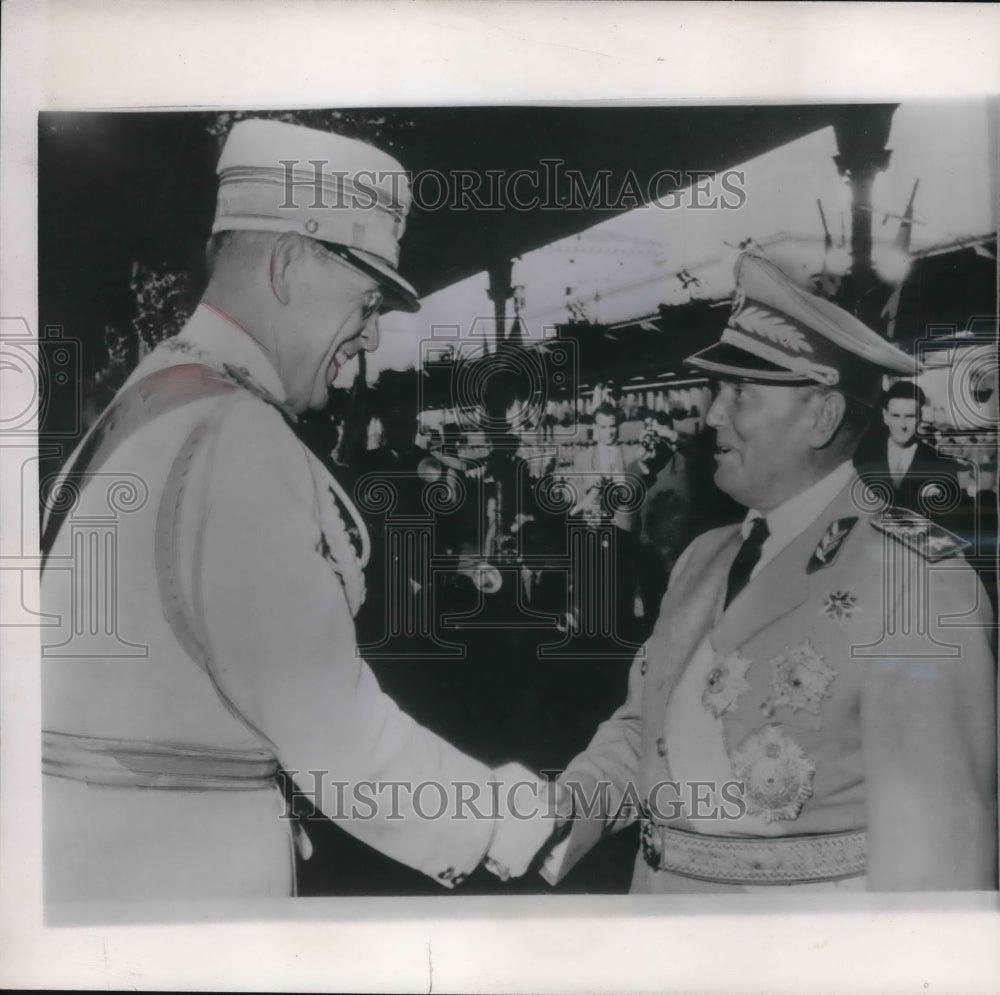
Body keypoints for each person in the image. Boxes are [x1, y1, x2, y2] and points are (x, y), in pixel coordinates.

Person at [40, 119, 559, 901]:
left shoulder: (146, 405)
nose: (371, 333)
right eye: (366, 298)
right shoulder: (235, 434)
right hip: (182, 885)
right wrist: (511, 819)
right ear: (287, 263)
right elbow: (334, 734)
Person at [534, 251, 996, 893]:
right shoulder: (705, 556)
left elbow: (936, 858)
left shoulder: (913, 583)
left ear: (822, 417)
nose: (713, 415)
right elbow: (650, 728)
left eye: (740, 394)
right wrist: (558, 814)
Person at [856, 381, 968, 526]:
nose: (903, 425)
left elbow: (954, 524)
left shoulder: (944, 466)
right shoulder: (863, 456)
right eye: (896, 416)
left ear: (919, 417)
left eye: (910, 416)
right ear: (885, 416)